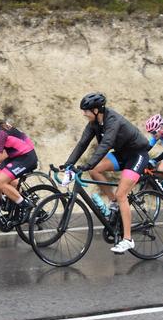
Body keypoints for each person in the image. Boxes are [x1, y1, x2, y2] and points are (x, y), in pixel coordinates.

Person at [63, 93, 151, 254]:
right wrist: (69, 163)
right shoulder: (94, 123)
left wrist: (87, 164)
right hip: (122, 154)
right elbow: (82, 143)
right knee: (94, 170)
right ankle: (114, 202)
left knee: (122, 194)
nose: (84, 114)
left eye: (86, 111)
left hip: (137, 155)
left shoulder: (113, 120)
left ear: (96, 110)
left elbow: (106, 144)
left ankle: (128, 239)